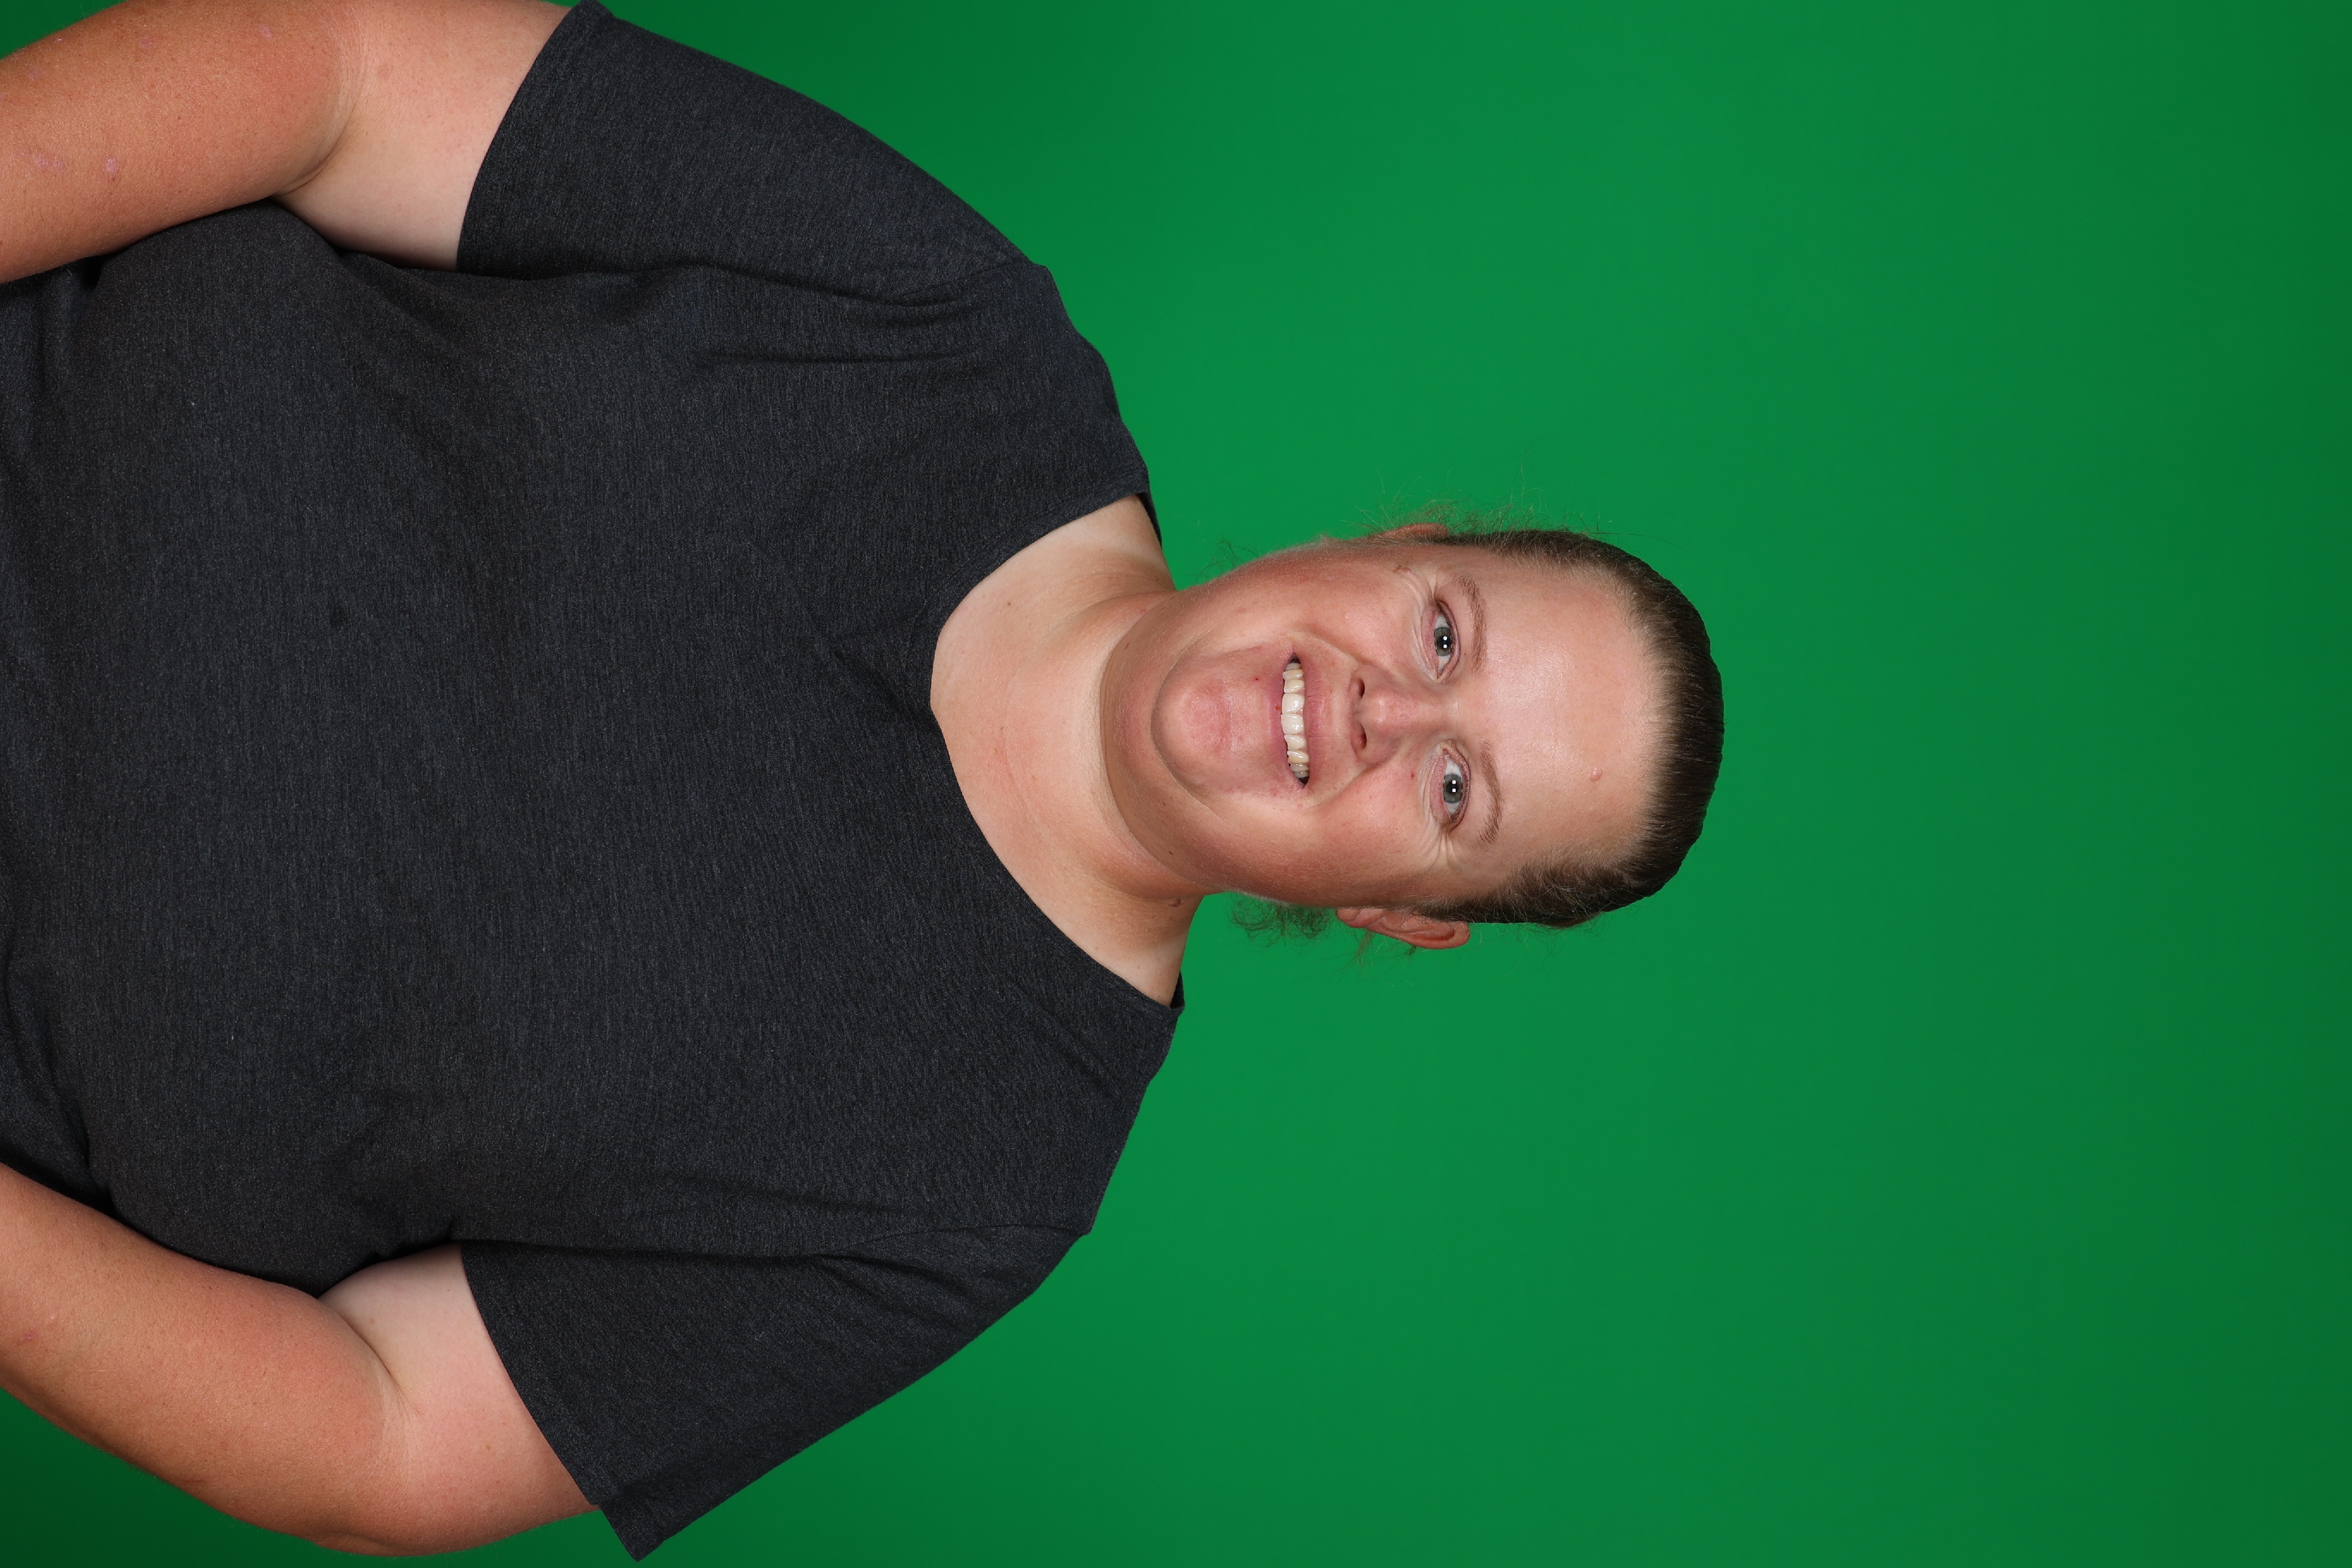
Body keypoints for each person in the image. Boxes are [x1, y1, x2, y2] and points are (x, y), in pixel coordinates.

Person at [0, 0, 1723, 1557]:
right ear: (1397, 540)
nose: (1377, 713)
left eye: (1454, 794)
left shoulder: (979, 1191)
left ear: (1402, 917)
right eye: (1443, 635)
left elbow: (383, 1433)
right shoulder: (952, 325)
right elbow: (344, 72)